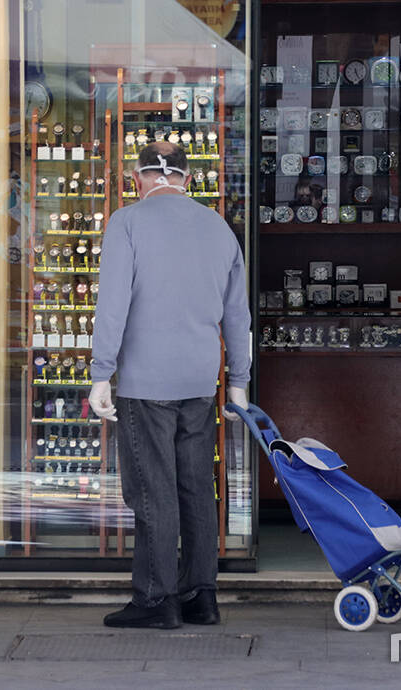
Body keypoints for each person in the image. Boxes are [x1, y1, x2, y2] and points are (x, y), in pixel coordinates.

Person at [90, 141, 250, 629]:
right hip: (201, 381)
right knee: (197, 488)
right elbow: (236, 314)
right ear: (186, 177)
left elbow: (112, 303)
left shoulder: (127, 222)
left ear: (139, 177)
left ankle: (157, 601)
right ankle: (201, 595)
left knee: (153, 492)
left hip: (145, 381)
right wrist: (238, 382)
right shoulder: (219, 227)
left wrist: (101, 373)